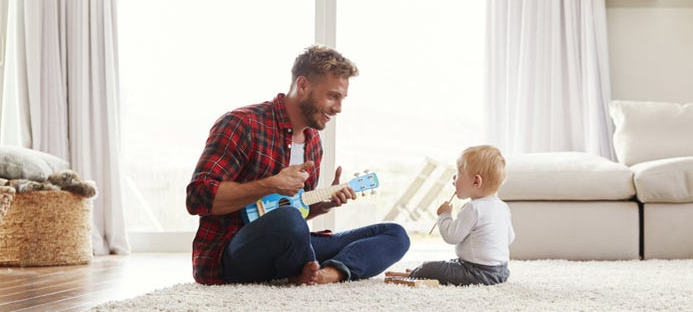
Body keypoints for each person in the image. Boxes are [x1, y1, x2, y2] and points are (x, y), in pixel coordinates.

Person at [185, 45, 410, 285]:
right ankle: (305, 267)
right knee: (288, 220)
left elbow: (295, 211)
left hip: (287, 247)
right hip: (231, 253)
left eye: (342, 99)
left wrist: (322, 205)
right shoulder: (242, 123)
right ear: (303, 86)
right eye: (332, 96)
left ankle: (327, 274)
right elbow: (197, 198)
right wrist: (270, 185)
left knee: (395, 234)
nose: (338, 108)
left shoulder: (313, 142)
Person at [387, 145, 515, 285]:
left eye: (459, 173)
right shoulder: (502, 207)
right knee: (448, 265)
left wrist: (445, 215)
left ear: (476, 181)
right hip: (501, 272)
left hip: (477, 273)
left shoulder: (472, 208)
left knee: (429, 266)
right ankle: (419, 273)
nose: (454, 177)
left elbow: (452, 237)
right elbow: (509, 238)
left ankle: (415, 275)